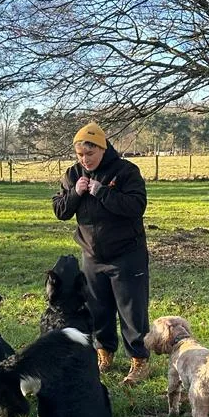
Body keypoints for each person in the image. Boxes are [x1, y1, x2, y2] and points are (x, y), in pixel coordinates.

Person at [52, 121, 150, 385]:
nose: (85, 160)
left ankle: (139, 360)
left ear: (103, 149)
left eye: (90, 154)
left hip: (127, 254)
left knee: (132, 310)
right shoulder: (72, 174)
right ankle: (104, 353)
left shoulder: (126, 171)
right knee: (98, 310)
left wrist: (102, 192)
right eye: (80, 155)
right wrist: (76, 193)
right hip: (92, 255)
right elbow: (60, 210)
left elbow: (136, 205)